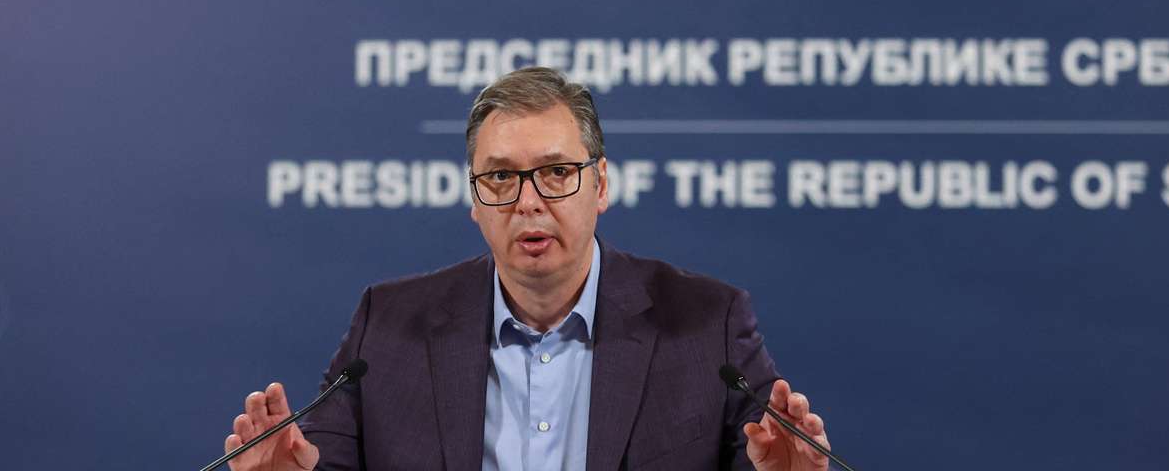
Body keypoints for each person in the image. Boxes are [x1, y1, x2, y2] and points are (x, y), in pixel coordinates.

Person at [224, 67, 832, 471]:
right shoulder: (387, 326)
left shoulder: (707, 324)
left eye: (557, 172)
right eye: (500, 177)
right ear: (473, 198)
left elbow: (768, 459)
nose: (528, 201)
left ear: (601, 185)